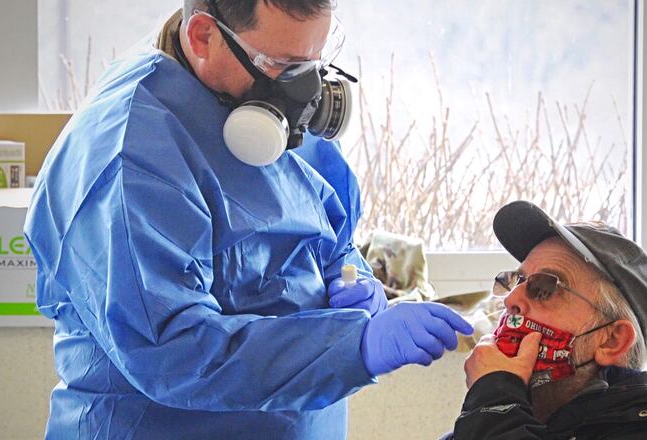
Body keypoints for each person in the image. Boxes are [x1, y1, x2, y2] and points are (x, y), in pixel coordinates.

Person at [24, 1, 473, 438]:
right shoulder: (131, 159)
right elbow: (174, 354)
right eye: (283, 64)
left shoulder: (261, 99)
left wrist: (347, 271)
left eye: (315, 61)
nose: (306, 89)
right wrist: (355, 346)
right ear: (204, 36)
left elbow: (324, 226)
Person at [446, 200, 647, 439]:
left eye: (544, 287)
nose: (510, 299)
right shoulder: (497, 421)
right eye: (517, 280)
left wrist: (495, 400)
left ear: (612, 340)